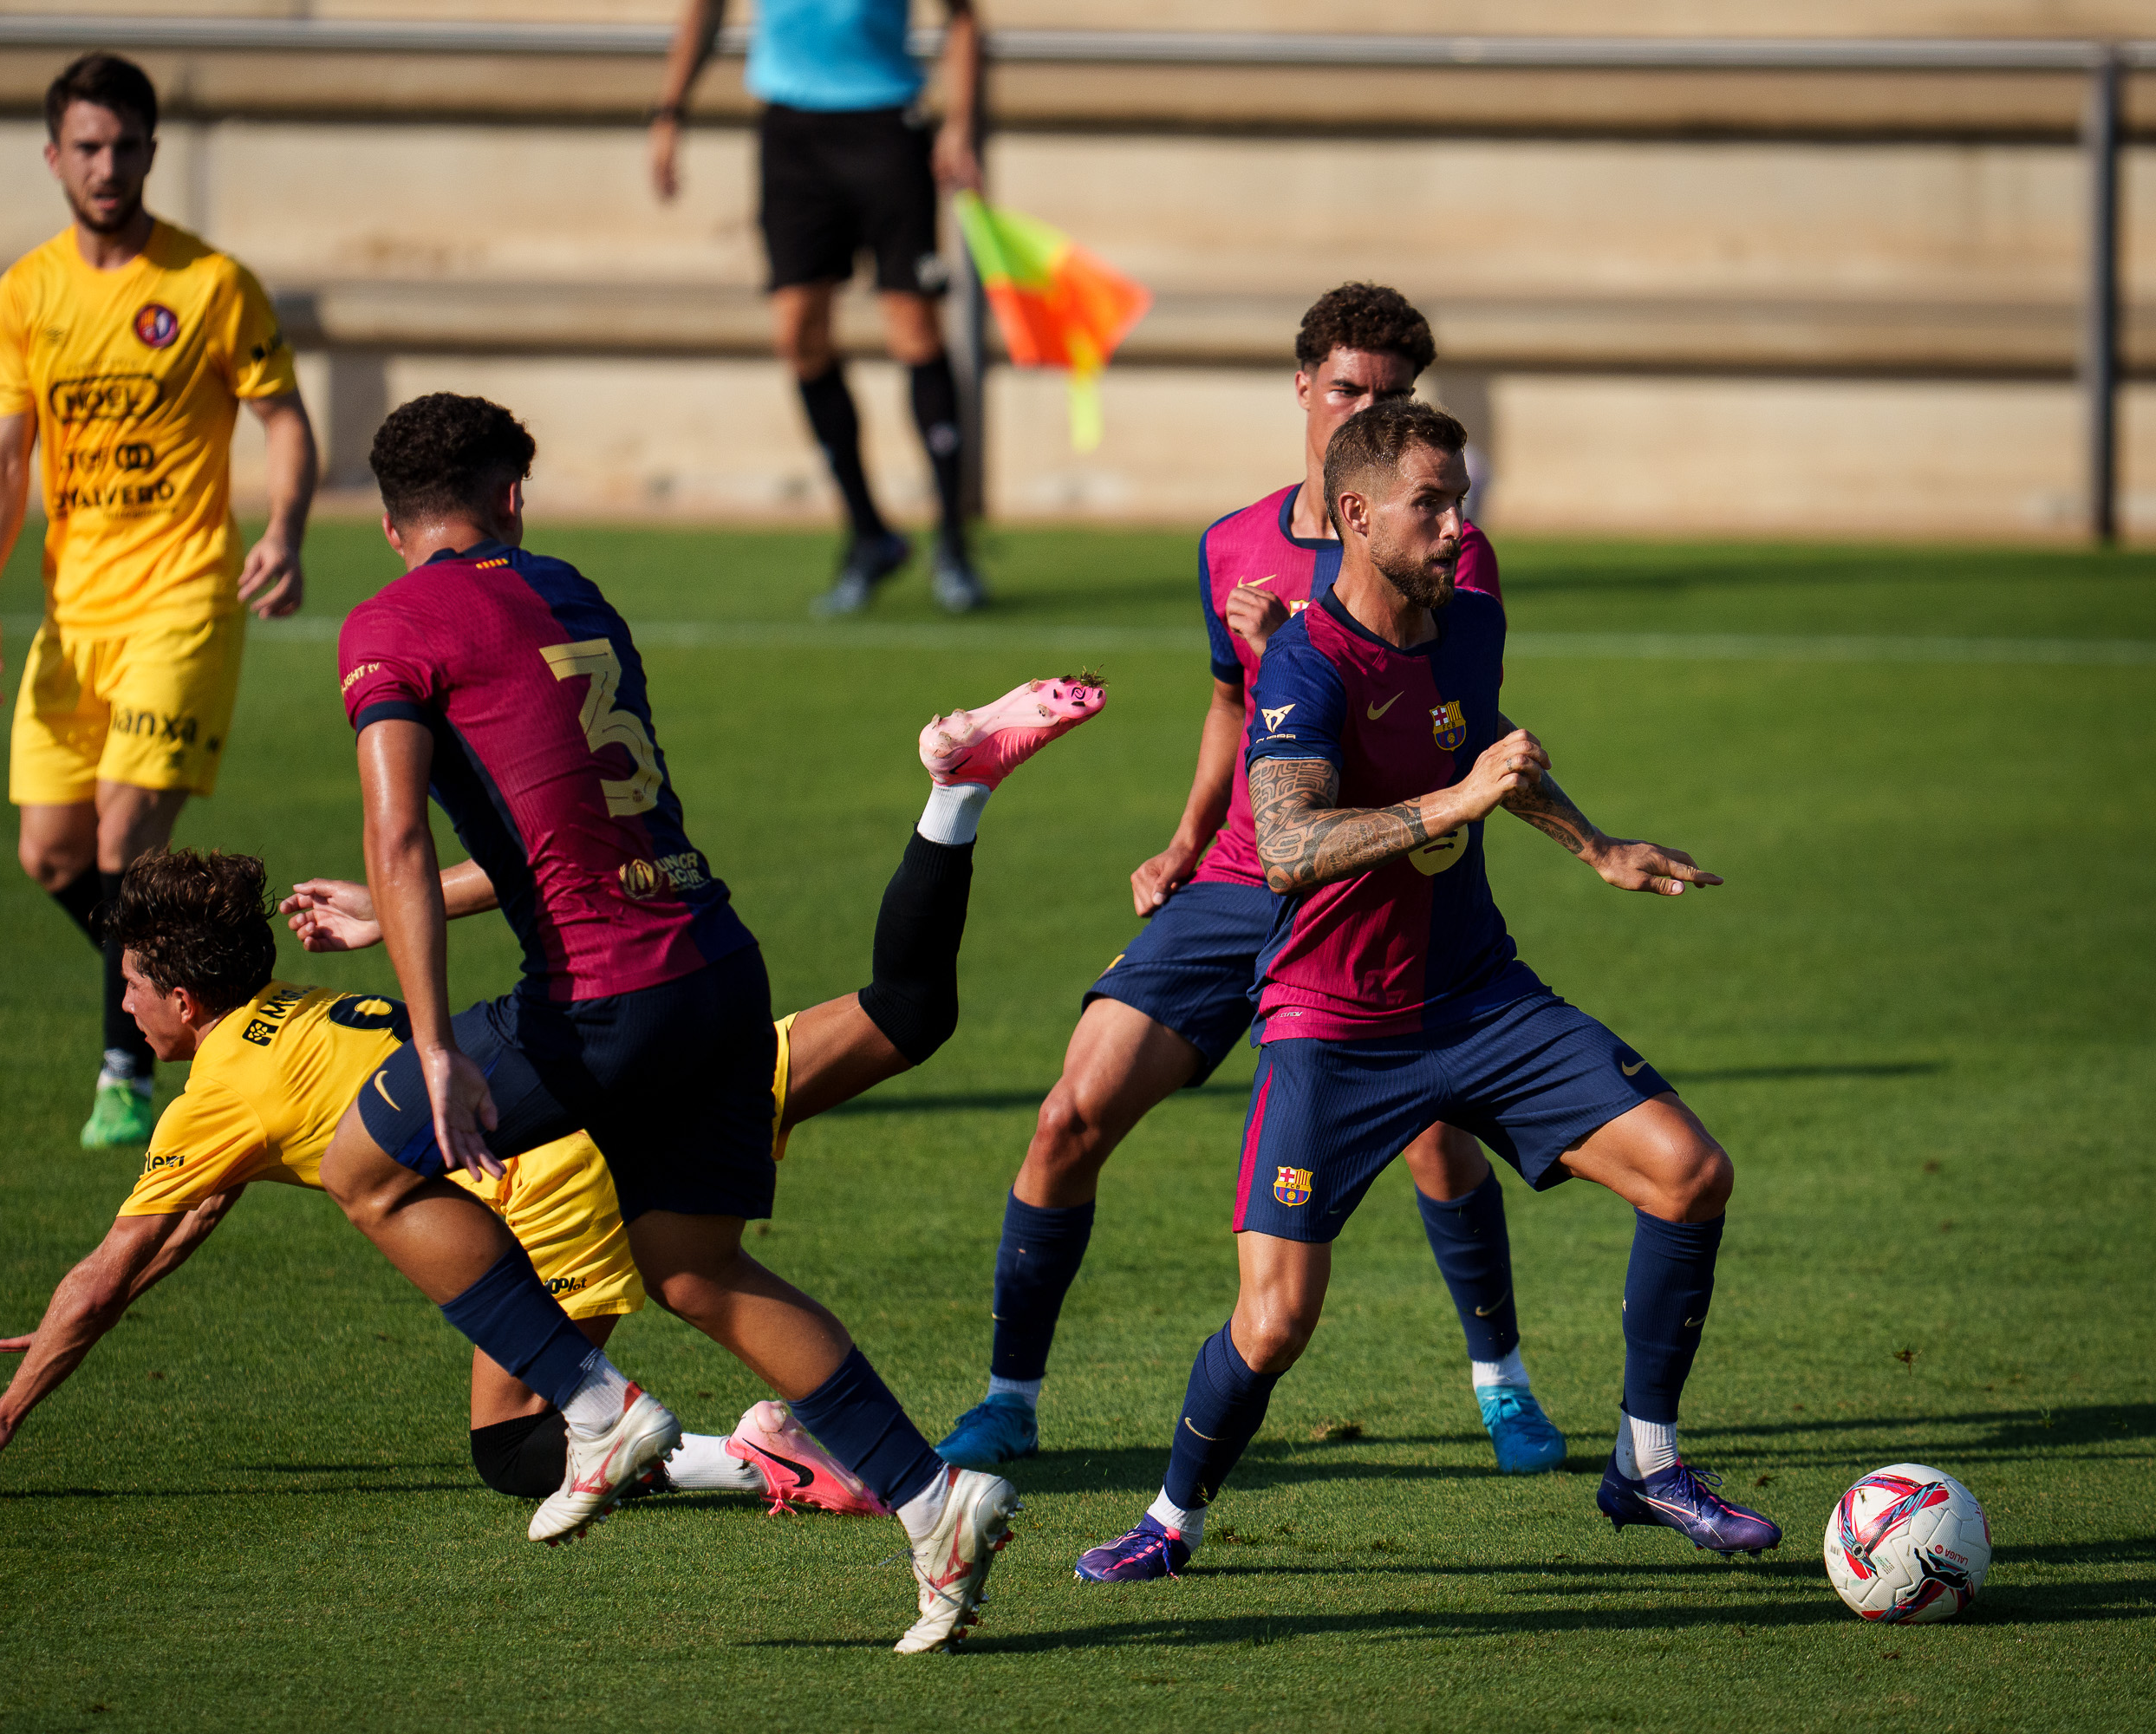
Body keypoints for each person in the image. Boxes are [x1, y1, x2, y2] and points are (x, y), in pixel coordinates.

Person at [0, 665, 1098, 1510]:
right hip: (644, 1052)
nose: (121, 1008)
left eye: (128, 986)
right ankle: (955, 795)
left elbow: (109, 1265)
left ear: (186, 998)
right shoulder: (308, 1018)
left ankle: (766, 1458)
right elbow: (176, 1230)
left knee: (518, 1449)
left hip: (554, 1179)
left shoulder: (218, 1095)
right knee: (906, 1015)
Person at [314, 391, 1026, 1652]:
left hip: (600, 998)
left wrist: (431, 1045)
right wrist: (400, 917)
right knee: (695, 1268)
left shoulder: (391, 624)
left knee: (365, 1165)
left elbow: (396, 836)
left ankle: (595, 1406)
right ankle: (934, 1500)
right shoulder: (574, 593)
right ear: (511, 500)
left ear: (385, 521)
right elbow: (566, 831)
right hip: (715, 967)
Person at [1071, 401, 1780, 1583]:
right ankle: (1171, 1519)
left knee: (1692, 1173)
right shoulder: (1305, 663)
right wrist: (1457, 805)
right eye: (1433, 507)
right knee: (1275, 1321)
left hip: (1478, 1000)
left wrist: (1592, 844)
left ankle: (1647, 1465)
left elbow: (1480, 731)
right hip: (1334, 1029)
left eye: (1462, 501)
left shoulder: (1469, 621)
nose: (1460, 527)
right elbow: (1289, 844)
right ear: (1356, 515)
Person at [939, 283, 1567, 1478]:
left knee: (1436, 1130)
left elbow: (1443, 715)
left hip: (1374, 879)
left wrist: (1309, 639)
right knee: (1071, 1114)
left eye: (1389, 398)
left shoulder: (1450, 547)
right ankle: (1009, 1399)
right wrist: (1182, 840)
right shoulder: (1229, 541)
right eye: (1346, 389)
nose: (1362, 412)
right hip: (1240, 880)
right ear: (1301, 387)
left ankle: (1502, 1384)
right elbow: (1232, 705)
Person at [0, 51, 319, 1151]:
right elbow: (6, 454)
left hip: (185, 596)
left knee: (122, 831)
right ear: (54, 156)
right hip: (76, 615)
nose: (108, 166)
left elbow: (284, 416)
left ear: (154, 153)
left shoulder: (210, 284)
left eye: (126, 147)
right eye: (88, 146)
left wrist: (286, 528)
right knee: (54, 856)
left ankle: (126, 1069)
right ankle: (216, 989)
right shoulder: (28, 292)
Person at [649, 0, 988, 615]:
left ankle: (953, 543)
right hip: (793, 135)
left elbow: (962, 18)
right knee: (798, 333)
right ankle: (870, 535)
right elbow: (706, 10)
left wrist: (959, 122)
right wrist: (671, 109)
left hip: (887, 124)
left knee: (914, 327)